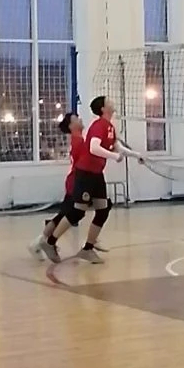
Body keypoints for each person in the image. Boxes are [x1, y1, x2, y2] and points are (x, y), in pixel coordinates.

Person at [35, 95, 144, 273]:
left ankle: (88, 248)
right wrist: (114, 157)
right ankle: (49, 242)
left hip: (96, 174)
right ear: (103, 108)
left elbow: (117, 146)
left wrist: (136, 155)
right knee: (76, 212)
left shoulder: (109, 127)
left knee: (103, 209)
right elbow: (94, 148)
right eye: (108, 100)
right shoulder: (98, 125)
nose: (112, 101)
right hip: (84, 174)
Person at [29, 112, 85, 262]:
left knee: (65, 215)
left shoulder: (78, 139)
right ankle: (45, 242)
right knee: (72, 214)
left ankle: (38, 243)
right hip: (76, 182)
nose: (80, 119)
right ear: (71, 126)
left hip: (76, 181)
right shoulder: (78, 141)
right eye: (76, 119)